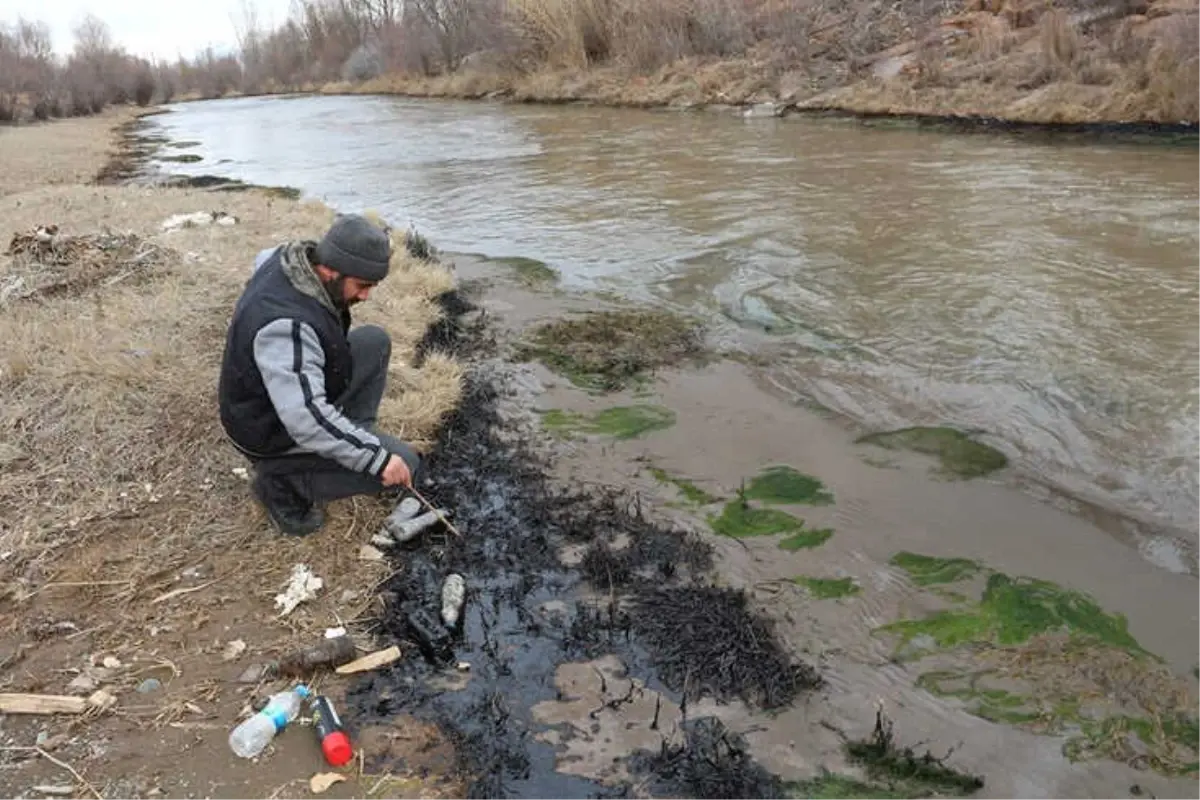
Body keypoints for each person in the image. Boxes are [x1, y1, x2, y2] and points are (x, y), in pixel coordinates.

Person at [217, 213, 422, 536]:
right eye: (362, 285)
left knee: (373, 341)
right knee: (403, 462)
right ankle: (280, 483)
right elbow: (306, 420)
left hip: (280, 400)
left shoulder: (289, 259)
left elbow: (260, 261)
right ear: (330, 271)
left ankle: (351, 433)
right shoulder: (288, 327)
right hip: (267, 431)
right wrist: (377, 459)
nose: (366, 296)